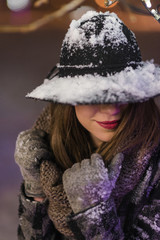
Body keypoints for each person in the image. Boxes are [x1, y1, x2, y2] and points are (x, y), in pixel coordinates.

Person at [15, 11, 160, 240]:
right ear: (70, 99)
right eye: (94, 96)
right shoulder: (48, 149)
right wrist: (35, 191)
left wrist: (94, 213)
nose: (110, 109)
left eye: (120, 94)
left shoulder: (154, 164)